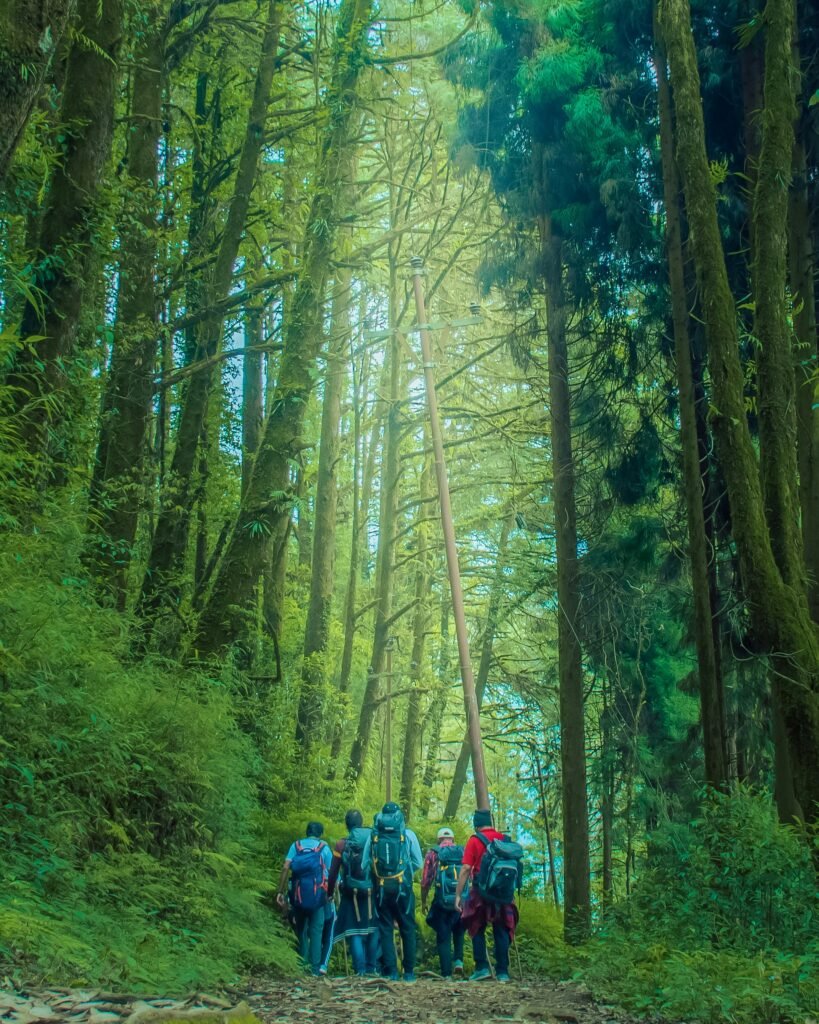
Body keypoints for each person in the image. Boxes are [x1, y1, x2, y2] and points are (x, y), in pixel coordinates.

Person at [454, 809, 520, 983]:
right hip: (504, 893)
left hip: (481, 891)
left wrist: (458, 895)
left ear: (476, 824)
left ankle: (482, 967)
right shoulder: (504, 840)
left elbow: (466, 869)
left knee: (476, 926)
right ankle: (503, 971)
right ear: (491, 822)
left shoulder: (475, 840)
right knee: (501, 928)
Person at [363, 801, 423, 982]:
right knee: (408, 927)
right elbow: (418, 862)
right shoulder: (407, 834)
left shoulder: (374, 835)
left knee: (386, 928)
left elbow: (365, 863)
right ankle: (409, 972)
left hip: (381, 888)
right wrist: (404, 873)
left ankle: (391, 971)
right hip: (403, 888)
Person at [276, 821, 333, 976]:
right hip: (318, 897)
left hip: (298, 895)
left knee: (301, 930)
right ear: (320, 834)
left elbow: (285, 867)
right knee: (316, 931)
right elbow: (331, 872)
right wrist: (331, 893)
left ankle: (302, 967)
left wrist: (280, 892)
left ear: (307, 832)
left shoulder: (296, 846)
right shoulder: (324, 848)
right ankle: (315, 970)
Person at [327, 809, 380, 976]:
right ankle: (372, 968)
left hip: (350, 893)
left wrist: (329, 893)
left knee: (354, 930)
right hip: (373, 890)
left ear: (347, 824)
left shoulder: (342, 844)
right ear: (362, 821)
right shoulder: (374, 839)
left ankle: (360, 970)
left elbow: (333, 871)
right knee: (372, 928)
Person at [421, 826, 467, 978]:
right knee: (459, 931)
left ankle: (446, 973)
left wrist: (424, 900)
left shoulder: (433, 853)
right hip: (461, 900)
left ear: (438, 839)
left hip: (442, 900)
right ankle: (459, 961)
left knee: (443, 936)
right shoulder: (462, 852)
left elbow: (426, 880)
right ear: (453, 840)